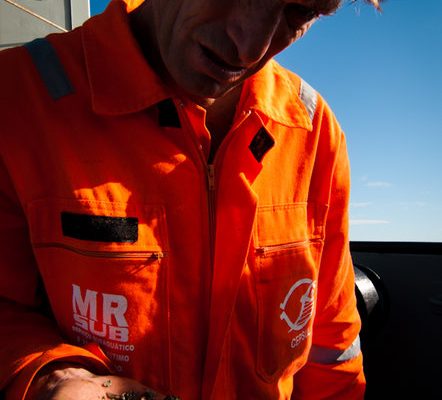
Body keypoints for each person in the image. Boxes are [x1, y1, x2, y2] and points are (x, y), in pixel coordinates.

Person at [0, 0, 382, 398]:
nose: (250, 48)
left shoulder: (314, 130)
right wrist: (51, 377)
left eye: (300, 12)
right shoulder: (16, 98)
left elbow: (331, 343)